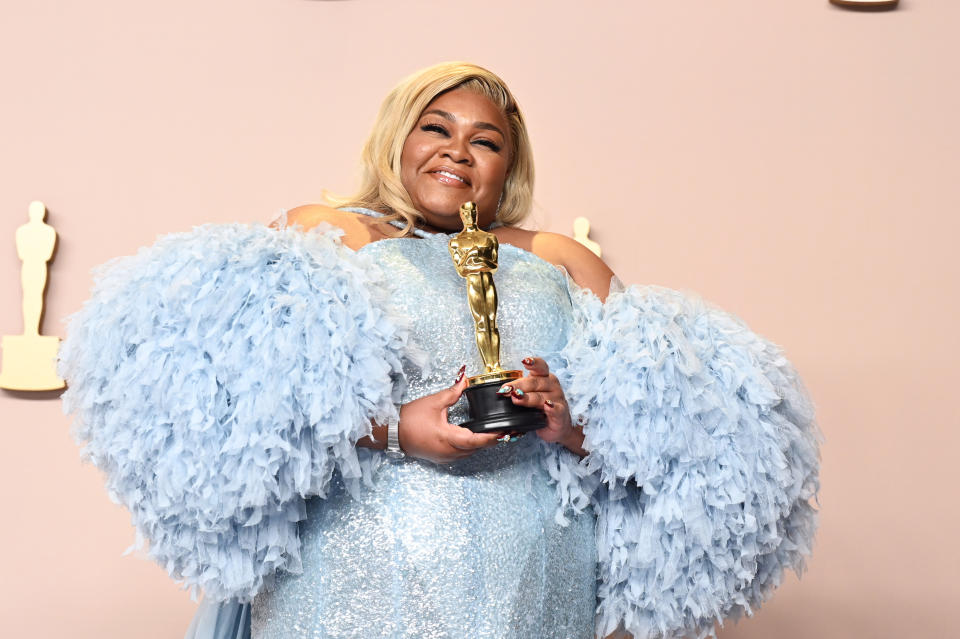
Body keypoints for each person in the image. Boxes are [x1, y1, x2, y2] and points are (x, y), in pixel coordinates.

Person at [60, 63, 820, 639]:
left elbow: (681, 430)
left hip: (536, 575)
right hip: (353, 566)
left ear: (507, 169)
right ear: (399, 136)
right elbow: (234, 402)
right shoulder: (335, 232)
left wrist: (571, 423)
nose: (458, 150)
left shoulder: (558, 259)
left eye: (486, 141)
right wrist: (396, 425)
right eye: (437, 128)